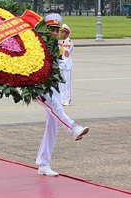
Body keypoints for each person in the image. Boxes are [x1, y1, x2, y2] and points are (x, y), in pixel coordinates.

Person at [34, 14, 89, 177]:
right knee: (56, 108)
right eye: (52, 30)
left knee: (53, 124)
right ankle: (73, 128)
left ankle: (44, 163)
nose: (55, 33)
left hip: (53, 87)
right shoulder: (38, 45)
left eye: (57, 30)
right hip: (39, 88)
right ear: (45, 30)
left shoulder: (55, 46)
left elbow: (59, 64)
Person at [59, 24, 73, 106]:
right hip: (61, 65)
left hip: (67, 65)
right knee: (61, 84)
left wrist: (61, 45)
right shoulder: (62, 42)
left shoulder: (69, 43)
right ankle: (62, 99)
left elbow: (66, 53)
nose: (61, 34)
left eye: (63, 32)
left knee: (67, 83)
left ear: (66, 33)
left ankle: (67, 99)